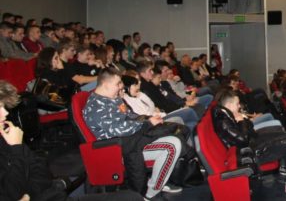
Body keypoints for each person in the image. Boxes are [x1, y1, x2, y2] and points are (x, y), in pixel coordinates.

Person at [1, 79, 142, 201]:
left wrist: (28, 194)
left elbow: (43, 172)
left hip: (53, 196)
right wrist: (16, 149)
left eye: (3, 107)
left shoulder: (6, 138)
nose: (6, 113)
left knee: (132, 197)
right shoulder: (13, 142)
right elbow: (13, 193)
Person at [83, 69, 183, 199]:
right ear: (106, 84)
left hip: (132, 138)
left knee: (172, 132)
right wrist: (147, 124)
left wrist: (148, 119)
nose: (121, 87)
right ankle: (150, 193)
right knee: (172, 145)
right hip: (118, 148)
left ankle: (155, 182)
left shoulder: (112, 98)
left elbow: (130, 115)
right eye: (118, 83)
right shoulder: (96, 106)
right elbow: (118, 130)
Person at [212, 89, 286, 200]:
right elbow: (243, 140)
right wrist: (241, 121)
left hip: (252, 143)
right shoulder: (223, 121)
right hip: (248, 153)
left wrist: (243, 120)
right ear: (229, 105)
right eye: (237, 104)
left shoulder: (228, 115)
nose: (239, 106)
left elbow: (250, 128)